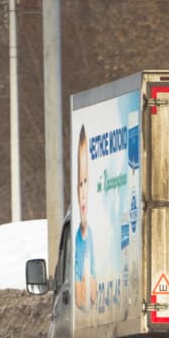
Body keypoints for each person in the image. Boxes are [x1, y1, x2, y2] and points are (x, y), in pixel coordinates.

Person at [73, 125, 96, 312]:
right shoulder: (78, 237)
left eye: (86, 182)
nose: (82, 190)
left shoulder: (91, 236)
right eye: (80, 183)